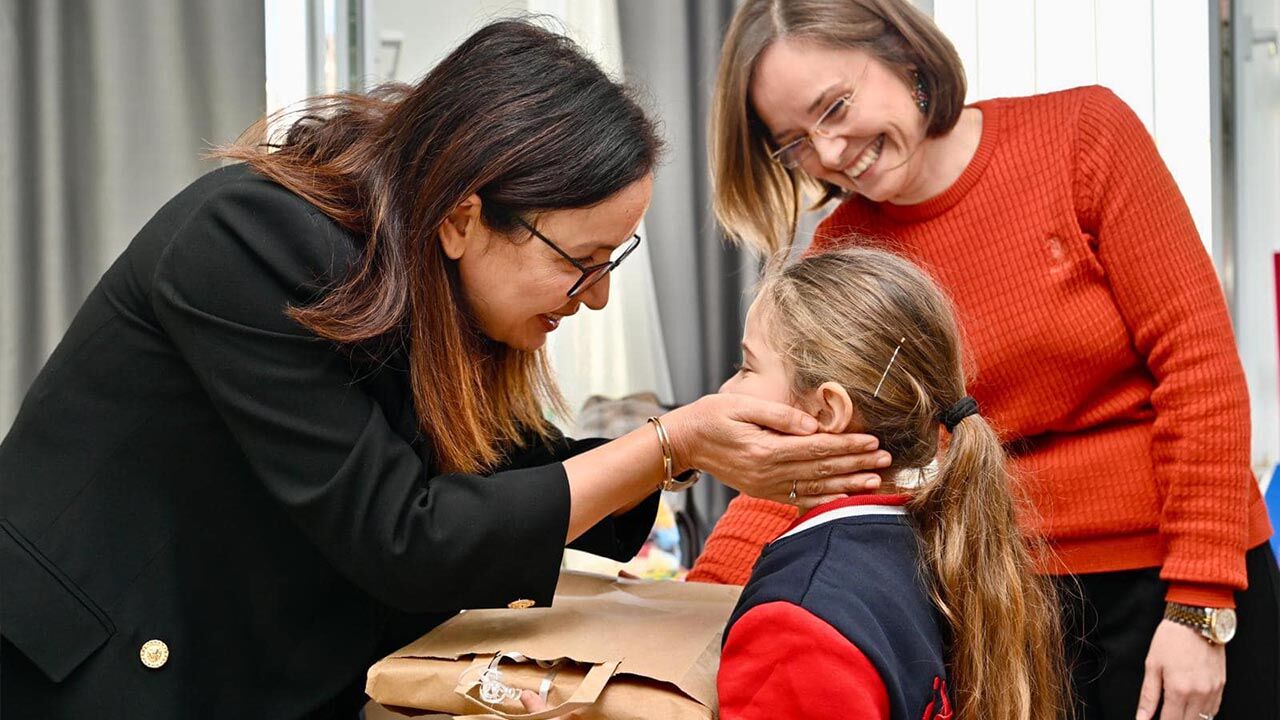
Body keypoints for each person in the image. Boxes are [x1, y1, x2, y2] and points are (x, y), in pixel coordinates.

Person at [0, 21, 886, 719]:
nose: (595, 299)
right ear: (464, 216)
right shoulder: (249, 243)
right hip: (99, 657)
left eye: (613, 262)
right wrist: (666, 442)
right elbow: (404, 533)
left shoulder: (425, 280)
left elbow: (503, 475)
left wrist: (692, 446)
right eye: (581, 261)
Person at [694, 1, 1280, 719]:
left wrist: (1198, 603)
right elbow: (807, 450)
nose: (831, 152)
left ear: (905, 57)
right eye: (794, 143)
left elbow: (1200, 372)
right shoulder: (844, 254)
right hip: (1004, 602)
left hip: (1173, 577)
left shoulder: (1084, 136)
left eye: (836, 107)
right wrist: (696, 604)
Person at [716, 247, 1065, 720]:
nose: (724, 392)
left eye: (746, 368)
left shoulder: (797, 622)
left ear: (825, 412)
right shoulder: (942, 544)